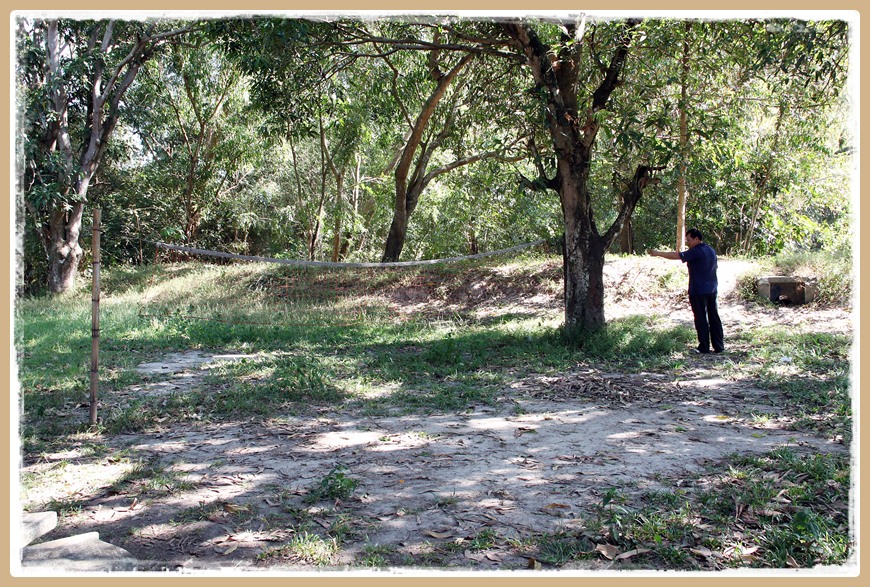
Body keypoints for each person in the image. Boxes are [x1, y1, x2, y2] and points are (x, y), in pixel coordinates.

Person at [647, 228, 724, 354]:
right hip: (712, 289)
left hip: (698, 290)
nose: (687, 242)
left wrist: (658, 253)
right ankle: (719, 346)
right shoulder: (710, 250)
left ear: (697, 239)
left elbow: (677, 256)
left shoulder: (696, 251)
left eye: (689, 240)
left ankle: (704, 347)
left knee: (701, 319)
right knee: (714, 317)